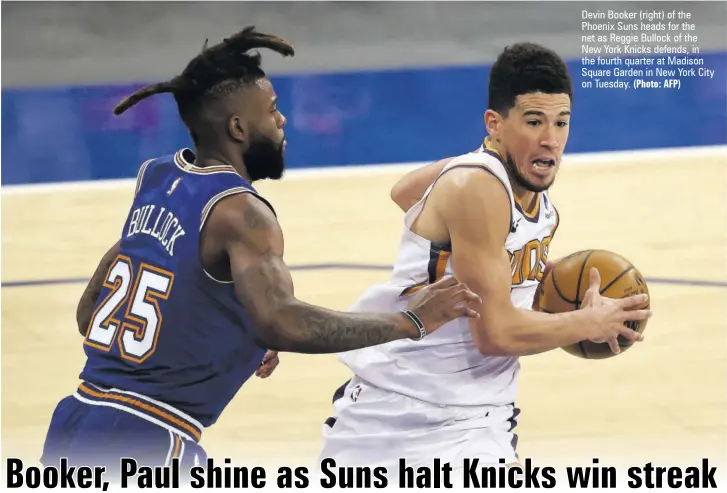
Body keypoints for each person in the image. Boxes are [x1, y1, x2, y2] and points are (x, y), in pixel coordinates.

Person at [38, 27, 481, 481]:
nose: (282, 121)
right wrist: (411, 321)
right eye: (272, 111)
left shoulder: (156, 178)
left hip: (75, 419)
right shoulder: (241, 211)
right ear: (237, 128)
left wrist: (234, 337)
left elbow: (92, 314)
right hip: (147, 438)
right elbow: (283, 322)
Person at [318, 42, 651, 477]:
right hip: (405, 415)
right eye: (533, 122)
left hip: (480, 415)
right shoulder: (478, 186)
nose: (550, 139)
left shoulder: (539, 206)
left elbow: (405, 191)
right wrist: (588, 323)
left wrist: (503, 264)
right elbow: (494, 333)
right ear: (494, 123)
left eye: (561, 122)